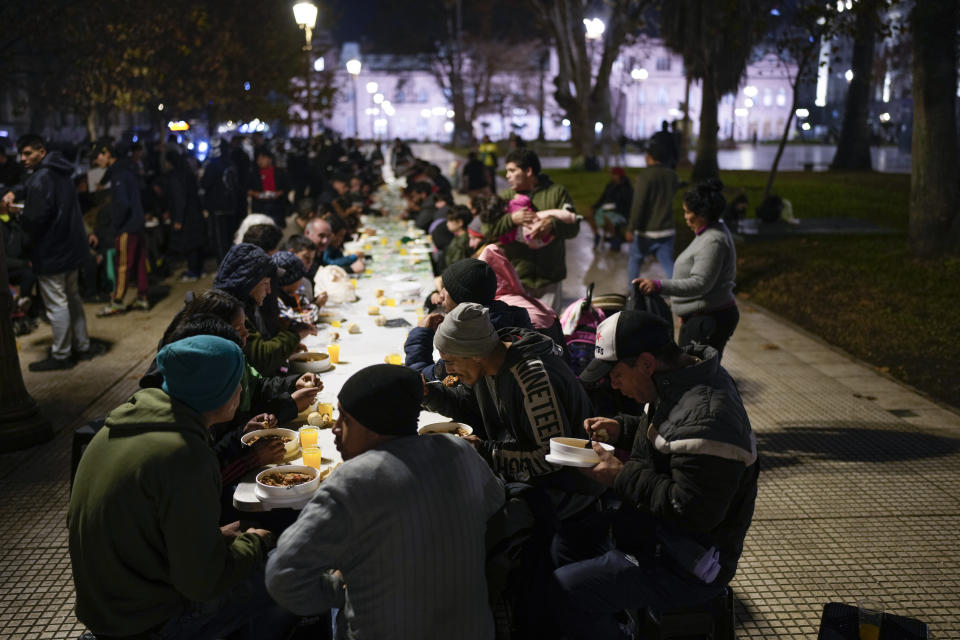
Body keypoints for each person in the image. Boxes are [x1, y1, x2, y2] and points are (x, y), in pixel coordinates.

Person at [68, 335, 295, 639]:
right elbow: (203, 583)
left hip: (107, 610)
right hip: (148, 622)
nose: (242, 389)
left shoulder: (122, 427)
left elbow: (142, 530)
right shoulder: (184, 454)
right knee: (284, 578)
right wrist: (254, 544)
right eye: (236, 382)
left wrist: (213, 539)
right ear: (218, 392)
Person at [553, 310, 758, 639]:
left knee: (564, 591)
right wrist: (622, 428)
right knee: (567, 539)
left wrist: (621, 476)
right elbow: (669, 437)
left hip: (687, 561)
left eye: (616, 374)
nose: (613, 384)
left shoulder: (709, 418)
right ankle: (619, 619)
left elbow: (691, 510)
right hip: (656, 533)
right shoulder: (680, 380)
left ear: (646, 363)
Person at [266, 364, 504, 639]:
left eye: (345, 419)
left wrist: (339, 588)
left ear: (374, 426)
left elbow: (283, 576)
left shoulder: (351, 482)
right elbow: (495, 502)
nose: (334, 429)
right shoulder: (460, 451)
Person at [422, 303, 602, 530]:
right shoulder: (489, 361)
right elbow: (466, 405)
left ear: (475, 355)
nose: (447, 371)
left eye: (449, 361)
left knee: (469, 522)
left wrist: (488, 452)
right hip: (533, 476)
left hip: (568, 487)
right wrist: (429, 393)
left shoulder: (532, 379)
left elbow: (552, 456)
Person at [2, 134, 95, 370]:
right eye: (21, 154)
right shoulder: (61, 172)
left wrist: (17, 214)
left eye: (28, 153)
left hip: (51, 250)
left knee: (57, 304)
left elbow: (35, 219)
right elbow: (33, 186)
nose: (23, 158)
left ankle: (62, 354)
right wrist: (17, 191)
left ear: (41, 152)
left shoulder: (41, 178)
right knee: (72, 299)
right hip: (71, 248)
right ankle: (82, 346)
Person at [634, 179, 739, 356]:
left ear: (702, 215)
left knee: (696, 375)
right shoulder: (708, 233)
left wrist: (659, 286)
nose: (685, 217)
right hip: (701, 316)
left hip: (709, 319)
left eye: (687, 212)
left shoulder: (713, 240)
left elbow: (700, 283)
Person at [405, 258, 532, 382]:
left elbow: (419, 378)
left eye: (447, 289)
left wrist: (420, 335)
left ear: (463, 305)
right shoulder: (508, 315)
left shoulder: (470, 341)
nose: (441, 294)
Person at [488, 149, 580, 312]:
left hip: (550, 279)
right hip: (517, 279)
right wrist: (511, 219)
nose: (507, 175)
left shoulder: (557, 193)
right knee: (522, 331)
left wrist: (552, 225)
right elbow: (488, 230)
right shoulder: (505, 197)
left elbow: (574, 227)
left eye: (512, 170)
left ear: (528, 171)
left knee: (548, 330)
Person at [214, 242, 308, 376]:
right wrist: (294, 335)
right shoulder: (229, 312)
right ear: (248, 282)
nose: (269, 290)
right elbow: (260, 361)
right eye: (265, 283)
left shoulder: (248, 305)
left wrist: (285, 349)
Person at [92, 141, 150, 316]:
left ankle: (117, 301)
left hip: (127, 227)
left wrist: (116, 224)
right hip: (138, 224)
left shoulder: (119, 175)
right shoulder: (127, 169)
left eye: (97, 157)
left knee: (123, 265)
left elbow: (122, 204)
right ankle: (143, 297)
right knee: (140, 262)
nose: (96, 162)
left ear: (107, 153)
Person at [626, 139, 681, 282]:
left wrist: (631, 228)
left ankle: (634, 294)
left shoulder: (645, 176)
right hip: (667, 229)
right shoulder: (672, 175)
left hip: (646, 230)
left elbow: (639, 204)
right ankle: (679, 293)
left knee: (635, 260)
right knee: (668, 263)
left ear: (650, 156)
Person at [587, 167, 634, 250]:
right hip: (608, 209)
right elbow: (602, 198)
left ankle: (614, 237)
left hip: (620, 212)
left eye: (613, 174)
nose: (611, 176)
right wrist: (594, 207)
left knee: (607, 217)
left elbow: (626, 204)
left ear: (619, 175)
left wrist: (613, 207)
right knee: (590, 214)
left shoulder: (627, 188)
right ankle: (596, 235)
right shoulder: (611, 185)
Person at [247, 148, 291, 228]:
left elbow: (287, 187)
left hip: (276, 205)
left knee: (277, 228)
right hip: (259, 206)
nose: (259, 162)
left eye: (262, 158)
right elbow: (247, 189)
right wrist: (254, 193)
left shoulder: (279, 172)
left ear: (269, 159)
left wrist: (279, 193)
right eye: (258, 159)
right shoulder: (253, 173)